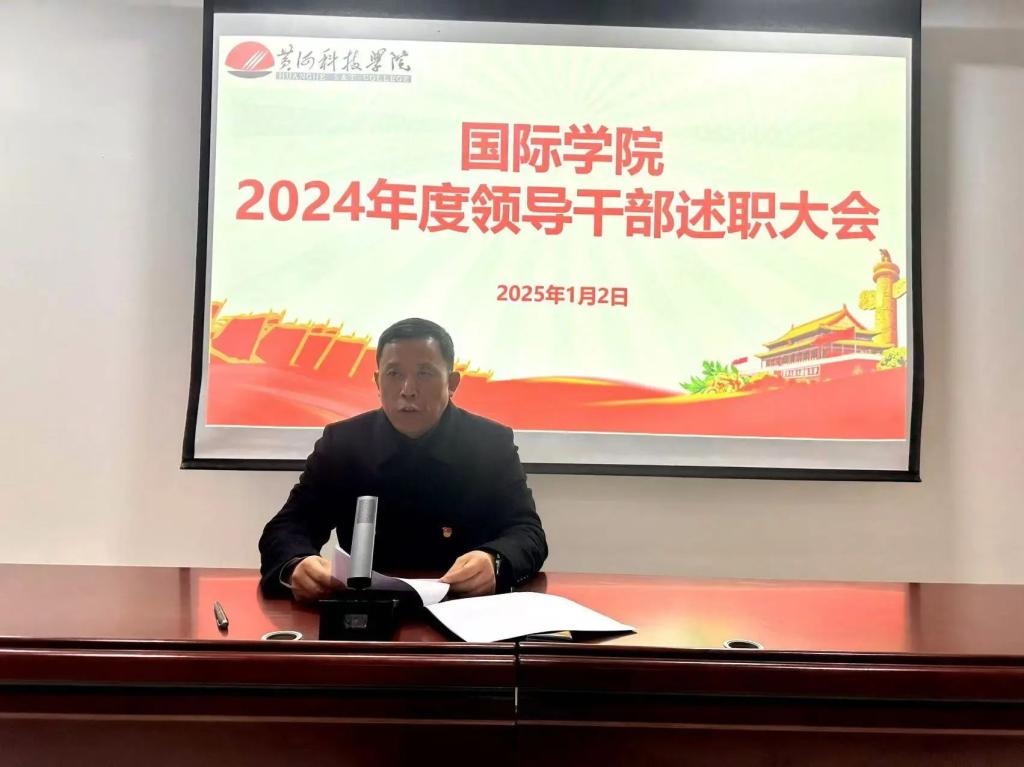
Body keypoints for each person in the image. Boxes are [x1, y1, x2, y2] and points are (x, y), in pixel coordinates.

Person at [259, 317, 547, 601]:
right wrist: (297, 564)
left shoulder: (489, 443)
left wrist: (495, 561)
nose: (408, 390)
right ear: (377, 381)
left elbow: (526, 531)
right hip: (367, 609)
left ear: (452, 383)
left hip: (464, 607)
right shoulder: (344, 443)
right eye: (394, 374)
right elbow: (288, 526)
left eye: (425, 373)